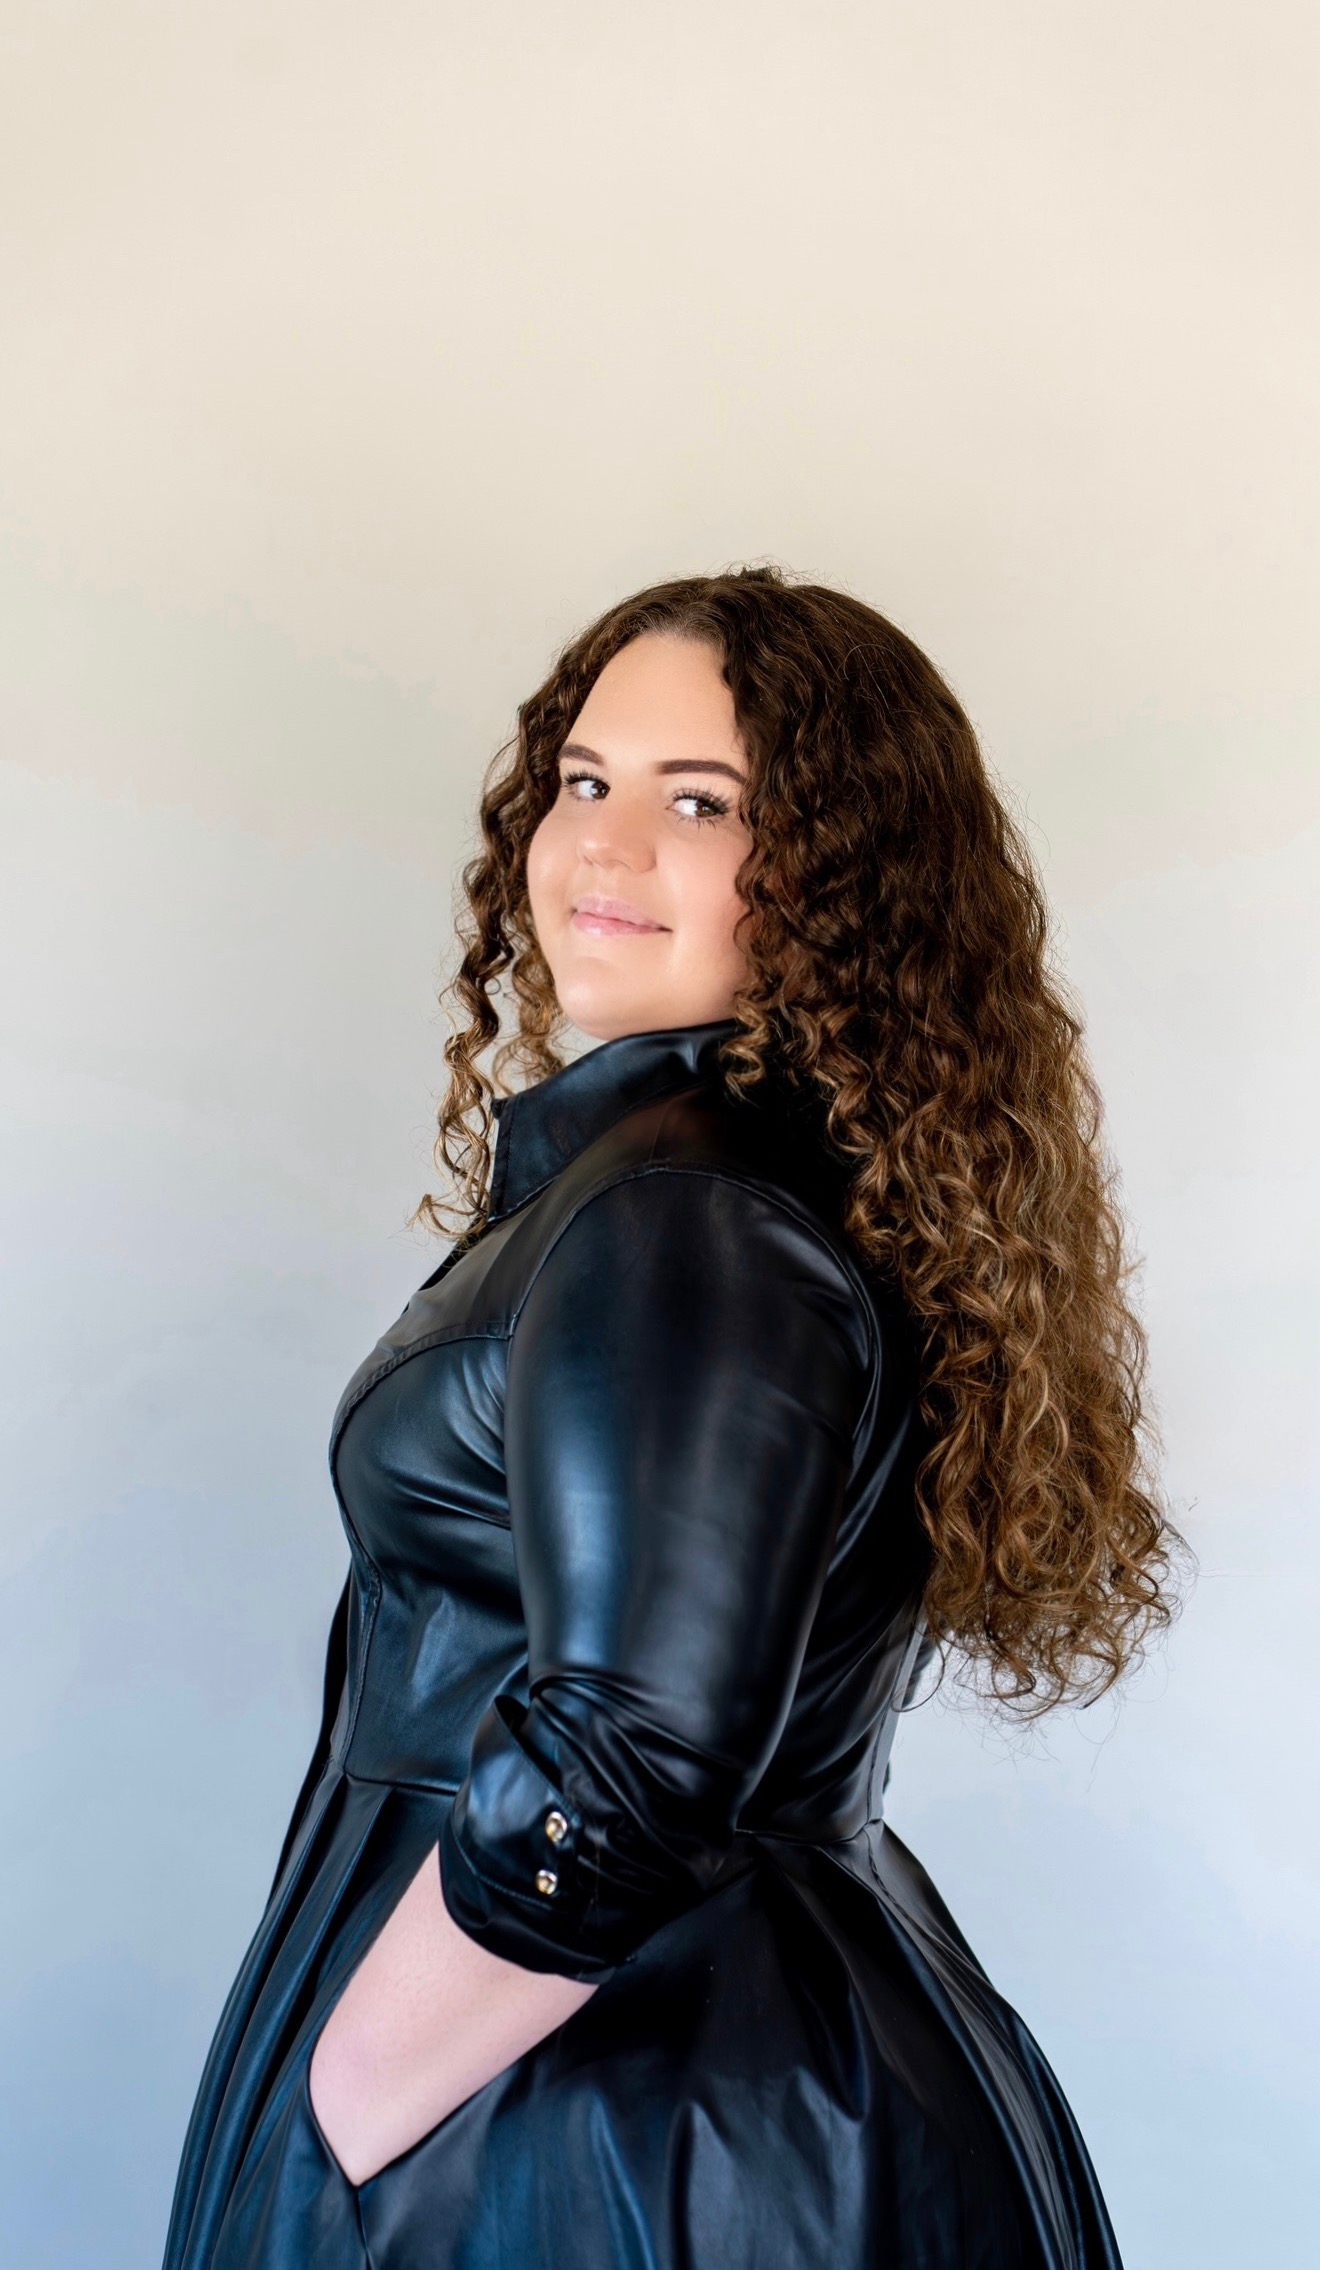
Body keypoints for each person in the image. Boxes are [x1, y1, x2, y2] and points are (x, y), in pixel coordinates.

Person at [162, 565, 1177, 2269]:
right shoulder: (679, 1188)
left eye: (698, 803)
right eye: (583, 781)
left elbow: (631, 1767)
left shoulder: (682, 1223)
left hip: (620, 2136)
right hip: (638, 2092)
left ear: (830, 881)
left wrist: (347, 2098)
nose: (604, 849)